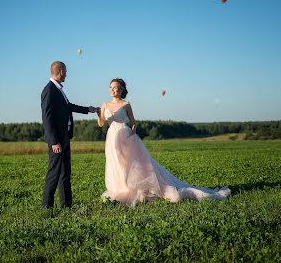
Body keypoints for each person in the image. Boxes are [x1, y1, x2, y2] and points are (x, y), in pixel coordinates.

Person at [96, 78, 230, 207]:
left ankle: (131, 188)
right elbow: (101, 123)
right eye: (111, 87)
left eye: (116, 88)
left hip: (125, 137)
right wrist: (98, 114)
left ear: (122, 90)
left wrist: (132, 135)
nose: (113, 90)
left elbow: (133, 123)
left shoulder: (126, 104)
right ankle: (120, 187)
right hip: (112, 137)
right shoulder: (105, 104)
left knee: (129, 164)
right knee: (116, 163)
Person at [41, 61, 99, 208]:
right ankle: (47, 208)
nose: (66, 74)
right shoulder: (49, 90)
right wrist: (54, 141)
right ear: (61, 72)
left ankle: (66, 206)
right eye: (65, 72)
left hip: (65, 137)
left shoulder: (58, 89)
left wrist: (89, 109)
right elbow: (47, 119)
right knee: (54, 174)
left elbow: (68, 107)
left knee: (65, 173)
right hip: (57, 140)